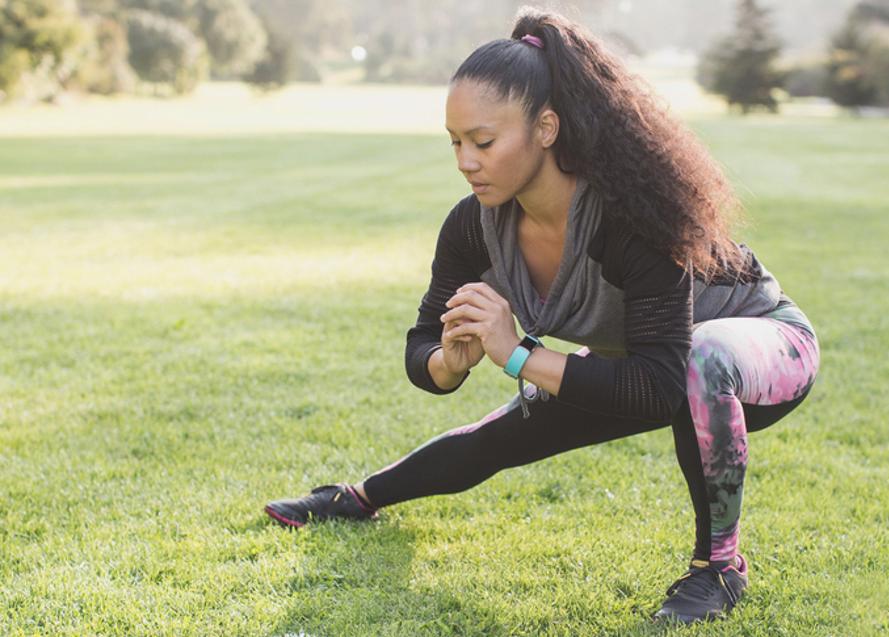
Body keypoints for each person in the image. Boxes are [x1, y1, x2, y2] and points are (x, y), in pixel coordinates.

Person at [264, 8, 820, 625]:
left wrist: (520, 354)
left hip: (763, 351)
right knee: (509, 430)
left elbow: (662, 386)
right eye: (454, 142)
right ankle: (355, 499)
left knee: (702, 357)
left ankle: (718, 568)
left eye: (483, 141)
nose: (465, 161)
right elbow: (422, 344)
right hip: (648, 366)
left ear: (547, 128)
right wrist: (448, 364)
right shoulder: (475, 225)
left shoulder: (630, 221)